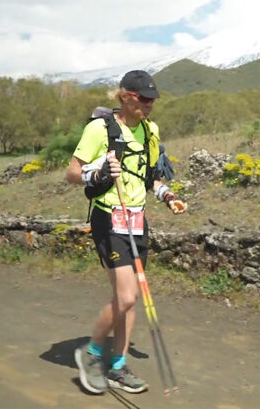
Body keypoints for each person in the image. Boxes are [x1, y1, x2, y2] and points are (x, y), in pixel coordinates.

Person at [65, 70, 186, 395]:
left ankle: (117, 366)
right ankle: (91, 354)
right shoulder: (99, 129)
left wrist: (168, 197)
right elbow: (73, 173)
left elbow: (150, 177)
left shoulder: (151, 130)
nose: (150, 105)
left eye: (153, 99)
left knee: (128, 301)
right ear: (126, 96)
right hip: (109, 218)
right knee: (128, 296)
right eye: (144, 99)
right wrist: (99, 171)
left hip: (136, 220)